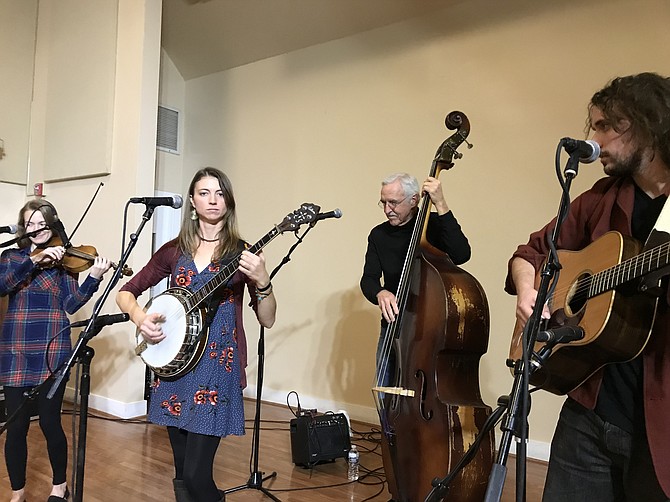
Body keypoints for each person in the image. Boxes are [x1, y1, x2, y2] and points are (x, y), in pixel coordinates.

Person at [505, 72, 670, 501]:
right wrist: (529, 294)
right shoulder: (600, 198)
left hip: (660, 422)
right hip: (589, 403)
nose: (592, 139)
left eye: (603, 126)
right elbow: (529, 254)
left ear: (645, 125)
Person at [116, 167, 276, 502]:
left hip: (217, 366)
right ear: (192, 200)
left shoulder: (243, 253)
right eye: (204, 193)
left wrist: (263, 280)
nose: (213, 200)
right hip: (175, 369)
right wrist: (139, 316)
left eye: (220, 193)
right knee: (180, 471)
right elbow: (126, 292)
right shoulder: (174, 250)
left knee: (195, 473)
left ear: (229, 202)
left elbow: (268, 318)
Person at [0, 199, 112, 502]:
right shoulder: (11, 257)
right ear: (23, 228)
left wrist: (94, 278)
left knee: (50, 422)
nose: (36, 229)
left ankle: (59, 486)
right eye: (30, 224)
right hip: (16, 349)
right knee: (16, 426)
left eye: (42, 223)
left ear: (52, 224)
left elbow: (70, 304)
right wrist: (33, 261)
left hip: (53, 348)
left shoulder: (64, 263)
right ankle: (17, 493)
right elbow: (2, 286)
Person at [360, 172, 471, 385]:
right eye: (383, 202)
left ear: (414, 200)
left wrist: (441, 203)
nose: (387, 210)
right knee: (385, 393)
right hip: (392, 327)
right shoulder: (378, 235)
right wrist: (380, 292)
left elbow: (462, 254)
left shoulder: (433, 227)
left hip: (430, 329)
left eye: (393, 203)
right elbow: (368, 279)